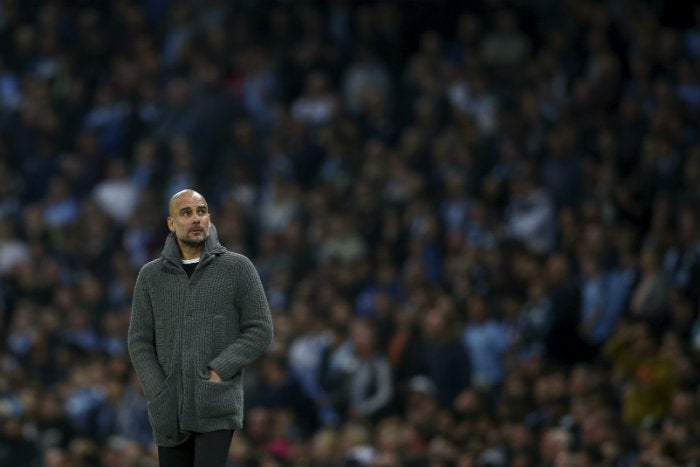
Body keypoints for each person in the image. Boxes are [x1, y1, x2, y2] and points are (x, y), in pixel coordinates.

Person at [127, 189, 274, 467]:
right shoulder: (150, 276)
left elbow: (260, 329)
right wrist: (159, 390)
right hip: (167, 409)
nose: (196, 218)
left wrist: (221, 369)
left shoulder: (237, 267)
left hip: (215, 402)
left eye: (202, 211)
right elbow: (139, 341)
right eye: (186, 213)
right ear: (171, 223)